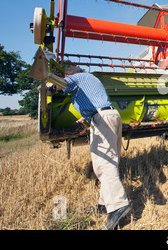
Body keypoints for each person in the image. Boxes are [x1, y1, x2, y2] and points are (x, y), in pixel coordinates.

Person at [49, 65, 130, 230]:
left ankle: (118, 206)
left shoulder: (78, 78)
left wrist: (48, 87)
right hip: (110, 116)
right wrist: (81, 122)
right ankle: (103, 204)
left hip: (102, 118)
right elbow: (91, 107)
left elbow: (60, 85)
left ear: (69, 75)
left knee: (103, 165)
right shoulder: (88, 82)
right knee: (108, 163)